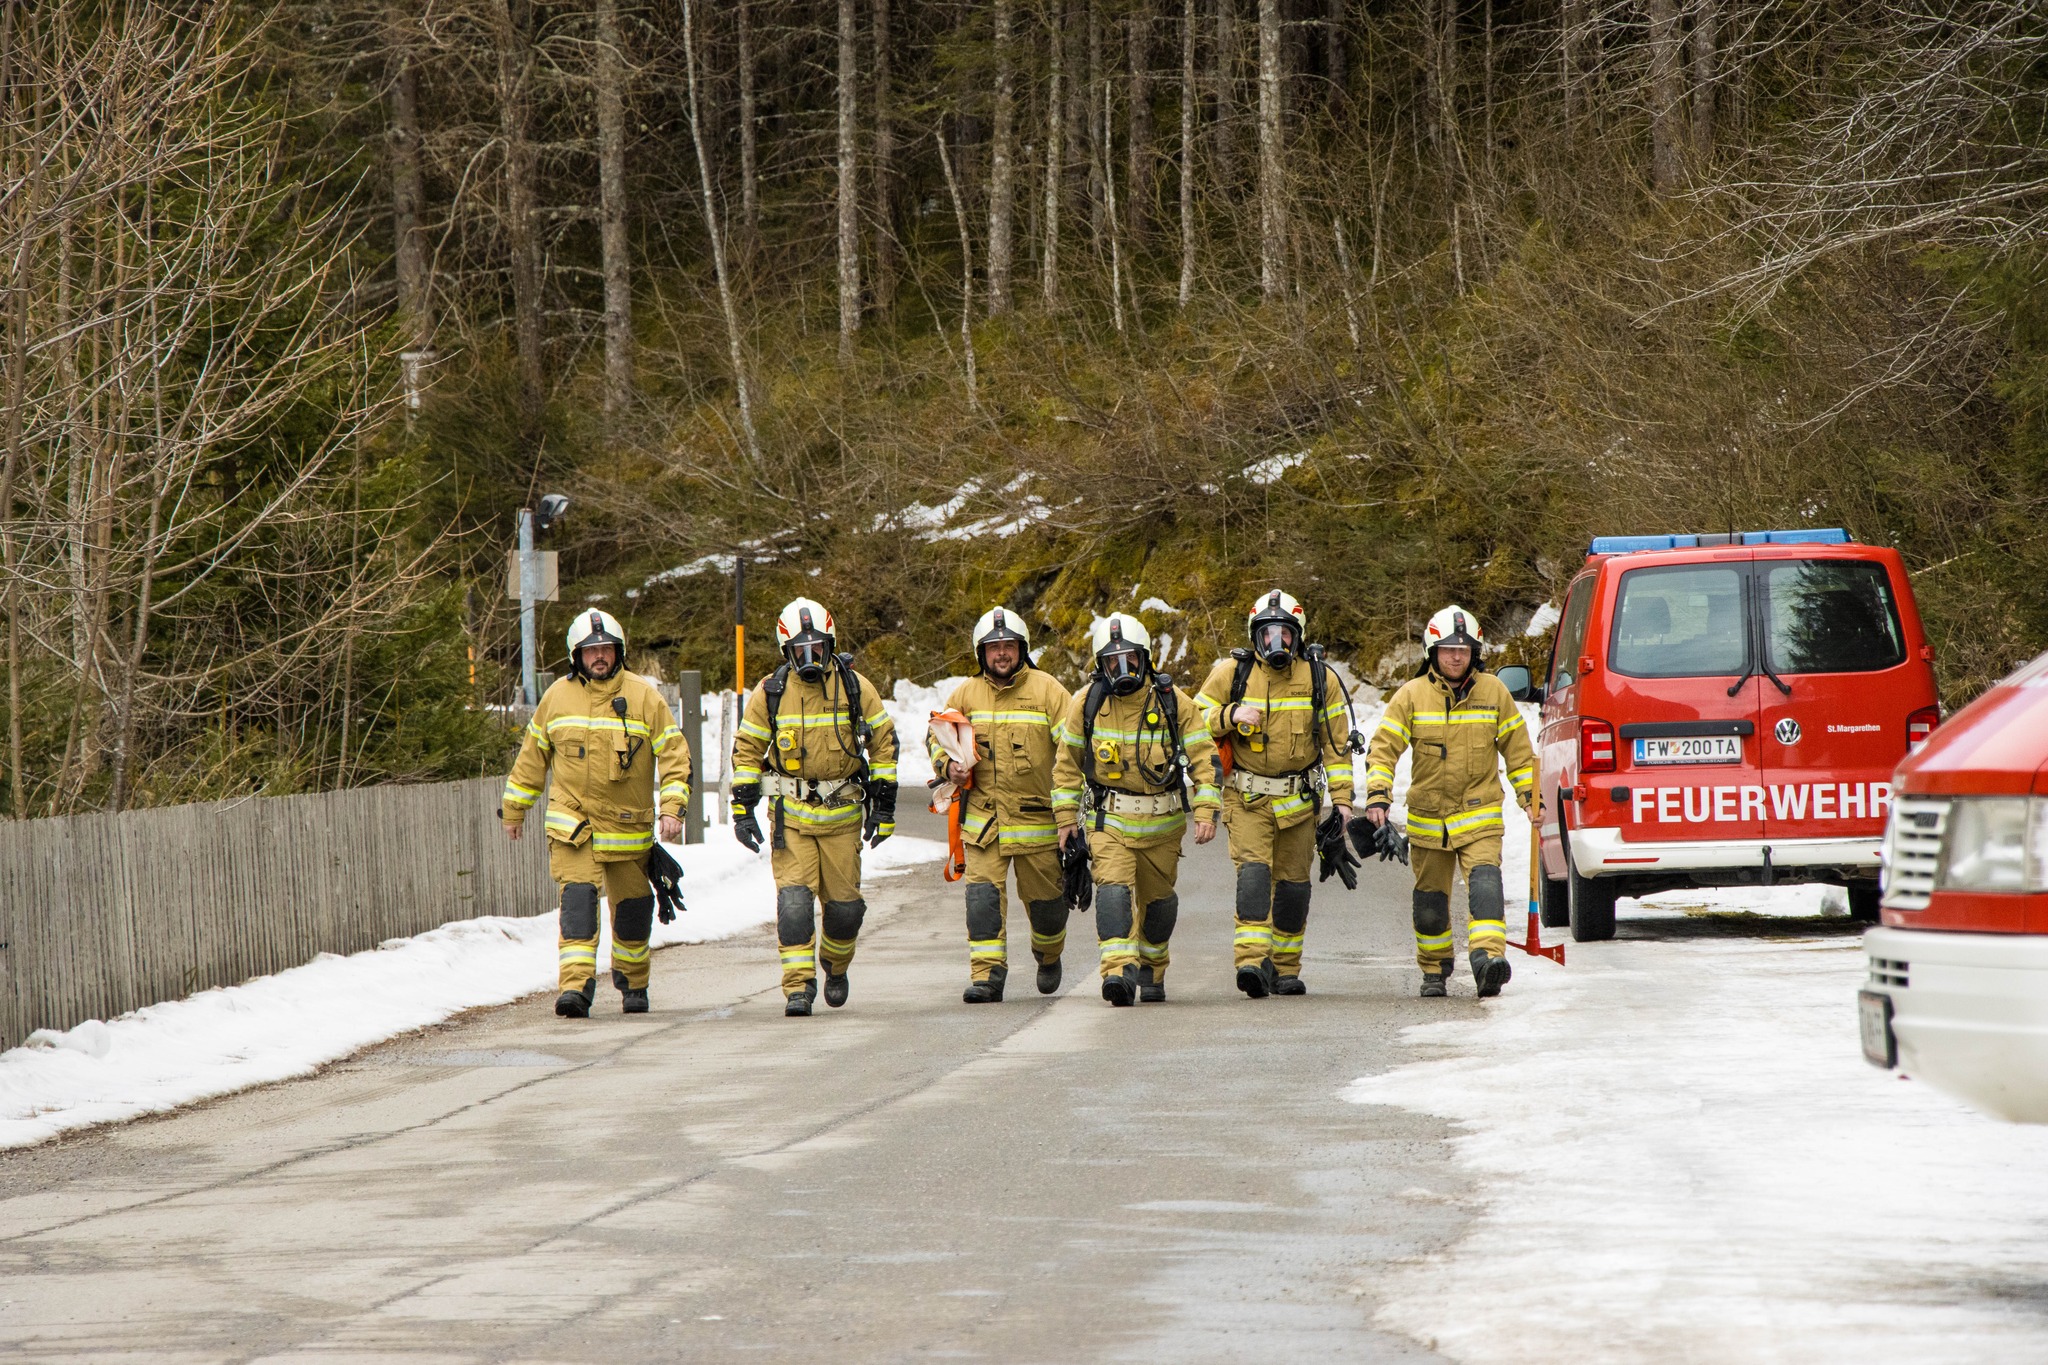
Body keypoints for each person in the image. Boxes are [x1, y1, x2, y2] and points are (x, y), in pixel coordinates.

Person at [502, 609, 691, 1018]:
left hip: (628, 830)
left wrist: (673, 808)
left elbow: (675, 755)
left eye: (606, 649)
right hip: (574, 828)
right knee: (578, 905)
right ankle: (575, 988)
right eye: (591, 651)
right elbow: (532, 759)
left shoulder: (644, 696)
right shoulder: (557, 698)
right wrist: (514, 810)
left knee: (633, 912)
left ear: (619, 652)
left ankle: (633, 983)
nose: (599, 656)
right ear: (577, 656)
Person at [729, 598, 899, 1017]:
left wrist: (884, 807)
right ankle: (798, 987)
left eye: (817, 648)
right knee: (794, 906)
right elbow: (747, 751)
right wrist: (743, 810)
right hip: (791, 820)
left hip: (843, 819)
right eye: (800, 650)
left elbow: (884, 744)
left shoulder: (855, 687)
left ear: (830, 644)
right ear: (786, 651)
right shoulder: (770, 692)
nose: (810, 657)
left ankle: (835, 966)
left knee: (845, 912)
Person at [1359, 606, 1535, 998]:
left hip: (1479, 816)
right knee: (1430, 904)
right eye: (1448, 649)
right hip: (1429, 821)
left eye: (1464, 649)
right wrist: (1378, 795)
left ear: (1475, 652)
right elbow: (1383, 751)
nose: (1456, 657)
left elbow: (1520, 753)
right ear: (1432, 652)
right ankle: (1435, 969)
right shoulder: (1411, 695)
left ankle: (1487, 960)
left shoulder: (1494, 692)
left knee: (1486, 887)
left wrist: (1530, 798)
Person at [1052, 613, 1222, 1006]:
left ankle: (1152, 968)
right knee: (1113, 892)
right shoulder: (1087, 703)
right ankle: (1118, 972)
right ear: (1101, 665)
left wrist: (1205, 810)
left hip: (1163, 826)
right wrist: (1065, 820)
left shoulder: (1173, 701)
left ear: (1145, 658)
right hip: (1109, 821)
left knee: (1159, 905)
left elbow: (1204, 758)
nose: (1122, 667)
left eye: (1130, 658)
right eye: (1112, 661)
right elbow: (1065, 766)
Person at [1194, 590, 1354, 998]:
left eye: (1285, 633)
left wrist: (1342, 801)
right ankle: (1251, 962)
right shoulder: (1232, 673)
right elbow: (1191, 719)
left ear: (1298, 636)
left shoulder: (1320, 679)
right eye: (1268, 634)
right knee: (1253, 876)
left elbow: (1336, 747)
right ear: (1255, 636)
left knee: (1293, 888)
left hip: (1299, 802)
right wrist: (1230, 714)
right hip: (1247, 799)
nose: (1276, 642)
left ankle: (1284, 968)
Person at [932, 608, 1074, 1002]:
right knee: (982, 901)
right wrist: (948, 766)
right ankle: (987, 977)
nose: (1001, 653)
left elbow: (1073, 749)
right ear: (981, 653)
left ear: (1021, 648)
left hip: (1037, 823)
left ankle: (1049, 955)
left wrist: (1070, 813)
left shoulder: (1049, 691)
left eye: (1008, 645)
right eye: (993, 647)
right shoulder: (965, 694)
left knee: (1047, 911)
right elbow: (938, 740)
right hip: (984, 824)